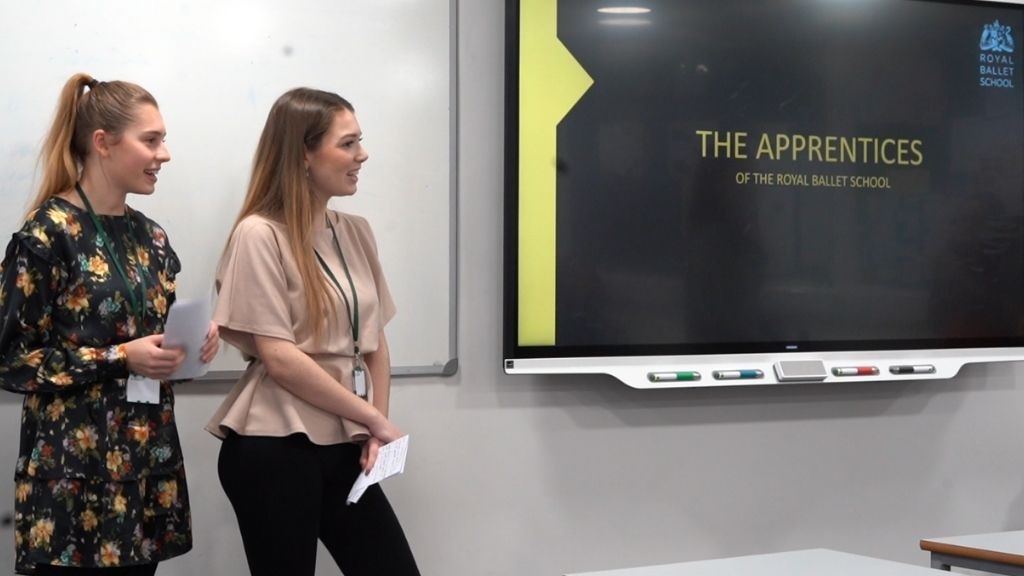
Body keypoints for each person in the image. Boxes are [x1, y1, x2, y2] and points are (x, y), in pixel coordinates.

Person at [0, 73, 219, 575]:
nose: (164, 154)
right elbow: (11, 361)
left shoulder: (153, 238)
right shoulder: (47, 234)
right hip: (72, 481)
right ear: (102, 143)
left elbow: (156, 346)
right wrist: (120, 357)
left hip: (143, 472)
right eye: (151, 140)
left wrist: (190, 347)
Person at [206, 87, 420, 576]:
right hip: (274, 446)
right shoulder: (259, 234)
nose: (361, 155)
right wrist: (373, 418)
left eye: (359, 142)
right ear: (303, 153)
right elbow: (279, 358)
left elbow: (375, 344)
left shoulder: (355, 230)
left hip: (344, 440)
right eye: (348, 144)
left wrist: (375, 427)